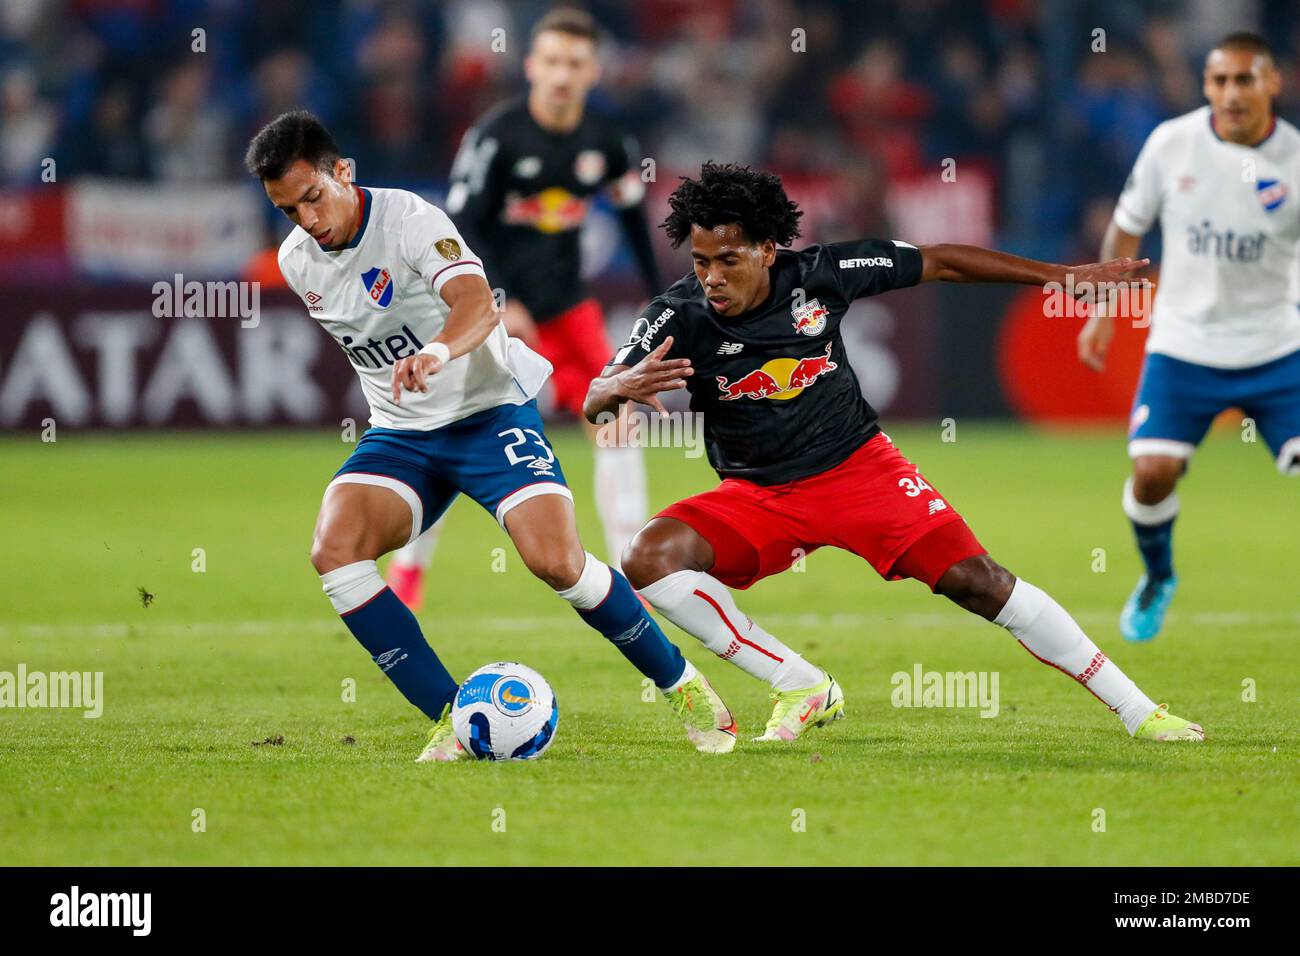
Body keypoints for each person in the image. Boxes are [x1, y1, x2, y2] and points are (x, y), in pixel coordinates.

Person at [586, 161, 1204, 744]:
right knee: (648, 556)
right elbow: (597, 397)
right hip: (757, 496)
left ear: (768, 250)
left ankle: (1140, 711)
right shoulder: (675, 316)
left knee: (979, 582)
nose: (712, 277)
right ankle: (800, 684)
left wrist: (1060, 278)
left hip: (860, 471)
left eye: (728, 259)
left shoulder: (822, 274)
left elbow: (941, 263)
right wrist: (616, 389)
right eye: (700, 262)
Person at [245, 111, 738, 761]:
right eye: (288, 210)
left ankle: (684, 686)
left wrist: (438, 356)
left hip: (489, 413)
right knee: (334, 549)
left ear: (344, 173)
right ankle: (450, 719)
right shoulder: (297, 261)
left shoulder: (411, 222)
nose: (307, 220)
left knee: (556, 562)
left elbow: (478, 306)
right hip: (403, 435)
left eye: (312, 197)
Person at [385, 7, 660, 611]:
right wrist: (498, 301)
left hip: (568, 305)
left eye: (576, 64)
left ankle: (632, 569)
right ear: (533, 66)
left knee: (616, 419)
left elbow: (636, 217)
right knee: (458, 430)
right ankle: (409, 570)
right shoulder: (495, 137)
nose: (563, 75)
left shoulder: (608, 142)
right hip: (492, 310)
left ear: (593, 72)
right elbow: (455, 229)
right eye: (553, 61)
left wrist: (656, 293)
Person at [1077, 31, 1300, 642]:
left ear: (1271, 83)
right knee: (1152, 471)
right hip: (1185, 345)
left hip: (1278, 347)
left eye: (1245, 79)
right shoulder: (1171, 144)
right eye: (1219, 80)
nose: (1231, 93)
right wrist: (1102, 308)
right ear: (1206, 85)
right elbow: (1126, 230)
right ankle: (1158, 577)